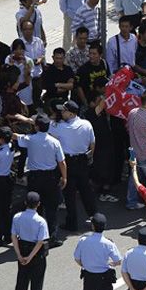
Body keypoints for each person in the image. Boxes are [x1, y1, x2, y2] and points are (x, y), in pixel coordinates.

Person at [16, 115, 67, 243]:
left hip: (35, 178)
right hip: (51, 178)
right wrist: (64, 177)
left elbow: (16, 137)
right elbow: (62, 162)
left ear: (37, 126)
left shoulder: (30, 139)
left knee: (34, 208)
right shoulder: (55, 142)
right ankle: (52, 237)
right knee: (51, 208)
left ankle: (33, 236)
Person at [49, 100, 96, 233]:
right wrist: (89, 158)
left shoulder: (58, 126)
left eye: (63, 111)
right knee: (86, 191)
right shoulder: (87, 124)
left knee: (69, 194)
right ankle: (95, 217)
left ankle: (72, 222)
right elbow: (92, 144)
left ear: (71, 113)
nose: (61, 113)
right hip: (83, 160)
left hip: (68, 162)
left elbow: (46, 128)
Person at [11, 192, 50, 290]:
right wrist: (30, 256)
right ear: (38, 204)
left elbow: (13, 236)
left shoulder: (17, 217)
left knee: (21, 281)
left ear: (25, 203)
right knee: (36, 284)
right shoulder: (41, 221)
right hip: (36, 254)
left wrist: (19, 255)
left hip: (22, 248)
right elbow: (40, 241)